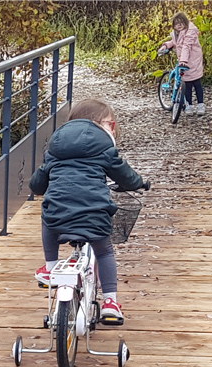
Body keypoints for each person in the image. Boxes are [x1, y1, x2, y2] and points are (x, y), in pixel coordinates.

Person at [30, 99, 148, 326]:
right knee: (104, 251)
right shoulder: (104, 147)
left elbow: (37, 184)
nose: (112, 128)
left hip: (58, 215)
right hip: (94, 213)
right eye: (111, 124)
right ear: (101, 124)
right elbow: (125, 176)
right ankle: (110, 303)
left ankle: (50, 267)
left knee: (48, 215)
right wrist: (139, 183)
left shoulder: (56, 147)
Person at [158, 12, 205, 115]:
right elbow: (175, 42)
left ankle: (200, 105)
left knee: (196, 83)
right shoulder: (177, 33)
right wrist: (166, 46)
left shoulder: (190, 31)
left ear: (186, 22)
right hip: (183, 61)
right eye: (176, 23)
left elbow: (186, 46)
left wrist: (183, 61)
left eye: (181, 22)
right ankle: (189, 105)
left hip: (192, 60)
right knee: (187, 85)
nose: (179, 25)